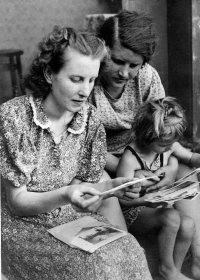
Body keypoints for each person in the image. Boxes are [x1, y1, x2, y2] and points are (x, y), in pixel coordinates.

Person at [0, 26, 153, 280]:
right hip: (23, 230)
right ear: (50, 74)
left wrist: (112, 186)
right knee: (92, 268)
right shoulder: (15, 118)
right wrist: (68, 194)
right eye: (76, 79)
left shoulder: (89, 120)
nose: (85, 91)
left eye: (92, 80)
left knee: (130, 250)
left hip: (69, 220)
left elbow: (82, 184)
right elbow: (17, 204)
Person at [89, 9, 178, 189]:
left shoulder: (147, 77)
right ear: (102, 50)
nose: (124, 73)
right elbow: (84, 145)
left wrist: (170, 166)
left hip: (147, 155)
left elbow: (163, 128)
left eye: (134, 65)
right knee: (168, 218)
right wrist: (130, 170)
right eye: (117, 61)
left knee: (187, 197)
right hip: (102, 161)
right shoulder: (88, 81)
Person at [117, 97, 200, 280]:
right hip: (136, 210)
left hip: (159, 206)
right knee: (171, 217)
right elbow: (121, 198)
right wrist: (145, 200)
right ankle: (167, 268)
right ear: (146, 136)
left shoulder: (168, 145)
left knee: (188, 224)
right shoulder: (131, 157)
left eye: (172, 143)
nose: (170, 148)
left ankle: (173, 271)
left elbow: (191, 158)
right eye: (164, 145)